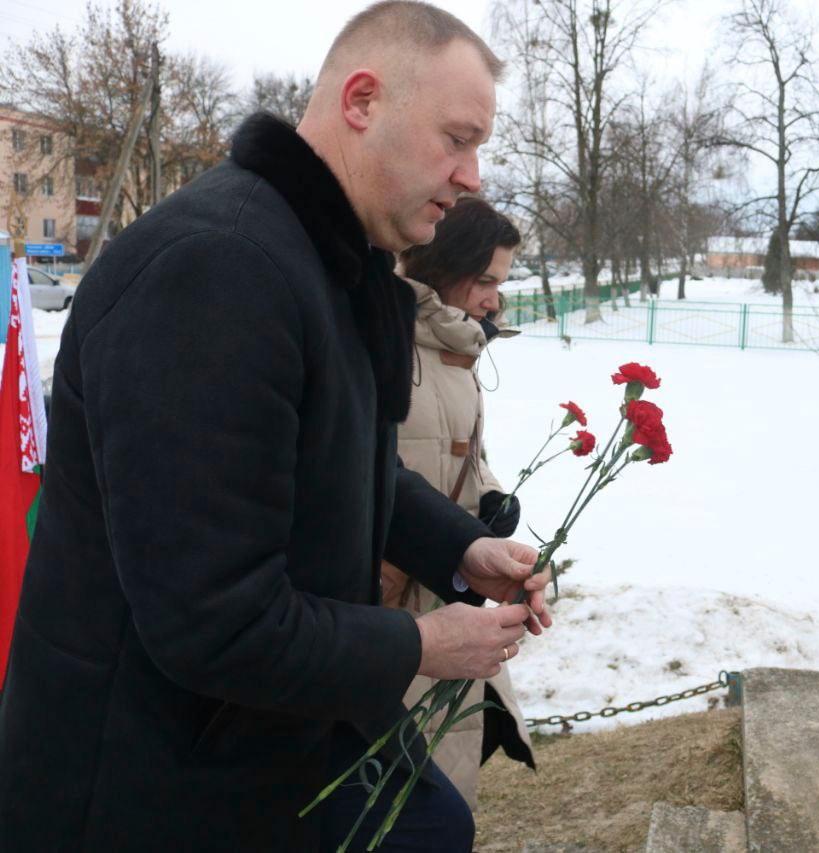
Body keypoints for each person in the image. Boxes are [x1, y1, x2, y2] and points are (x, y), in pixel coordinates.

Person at [0, 3, 552, 850]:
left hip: (270, 732)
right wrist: (420, 643)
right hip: (152, 781)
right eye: (457, 137)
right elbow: (212, 618)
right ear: (362, 102)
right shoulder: (215, 272)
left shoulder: (331, 260)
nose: (473, 174)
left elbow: (339, 463)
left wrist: (459, 548)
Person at [381, 197, 535, 808]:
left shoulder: (457, 350)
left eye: (501, 282)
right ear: (445, 265)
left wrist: (492, 500)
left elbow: (464, 453)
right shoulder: (388, 345)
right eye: (487, 280)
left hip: (449, 587)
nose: (495, 298)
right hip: (393, 606)